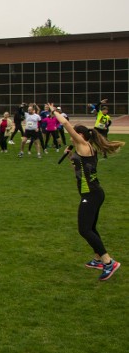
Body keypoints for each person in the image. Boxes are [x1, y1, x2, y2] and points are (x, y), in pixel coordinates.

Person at [45, 103, 123, 281]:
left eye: (73, 134)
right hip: (94, 193)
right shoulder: (84, 148)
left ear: (79, 135)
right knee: (91, 227)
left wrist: (54, 111)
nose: (70, 136)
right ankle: (97, 259)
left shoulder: (83, 144)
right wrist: (71, 158)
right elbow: (78, 172)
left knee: (84, 229)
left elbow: (65, 124)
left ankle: (108, 262)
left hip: (92, 195)